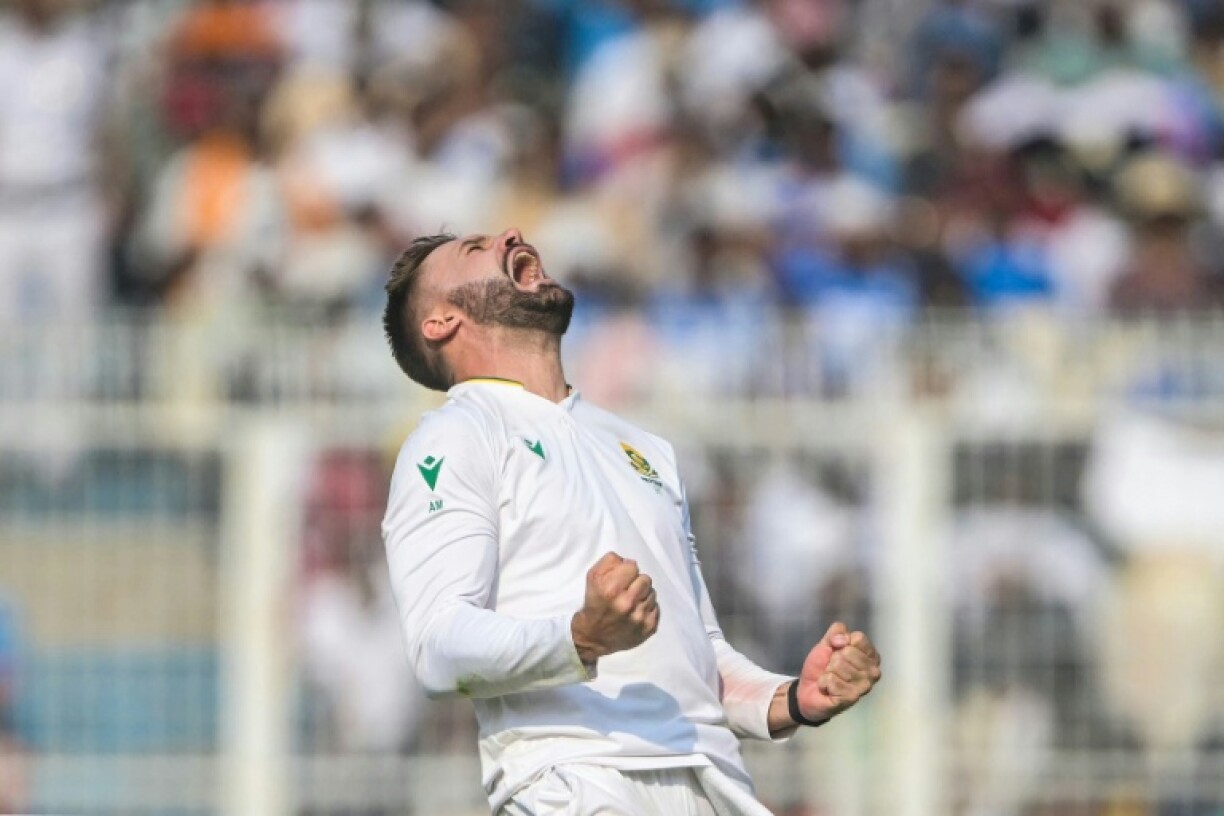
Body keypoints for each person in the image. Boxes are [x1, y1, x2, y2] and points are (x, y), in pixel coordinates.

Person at [380, 228, 883, 815]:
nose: (511, 235)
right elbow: (438, 647)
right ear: (440, 322)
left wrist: (793, 696)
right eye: (474, 250)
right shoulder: (453, 436)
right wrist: (579, 637)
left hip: (713, 783)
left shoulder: (641, 447)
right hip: (575, 782)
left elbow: (699, 656)